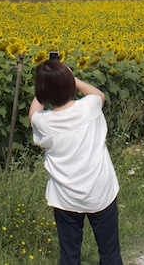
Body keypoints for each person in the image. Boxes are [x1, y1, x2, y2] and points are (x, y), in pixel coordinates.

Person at [29, 59, 123, 265]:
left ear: (43, 92)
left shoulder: (43, 122)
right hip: (100, 192)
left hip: (65, 198)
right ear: (70, 84)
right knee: (110, 252)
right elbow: (99, 95)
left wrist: (44, 87)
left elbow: (33, 113)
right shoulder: (89, 107)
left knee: (69, 256)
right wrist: (73, 79)